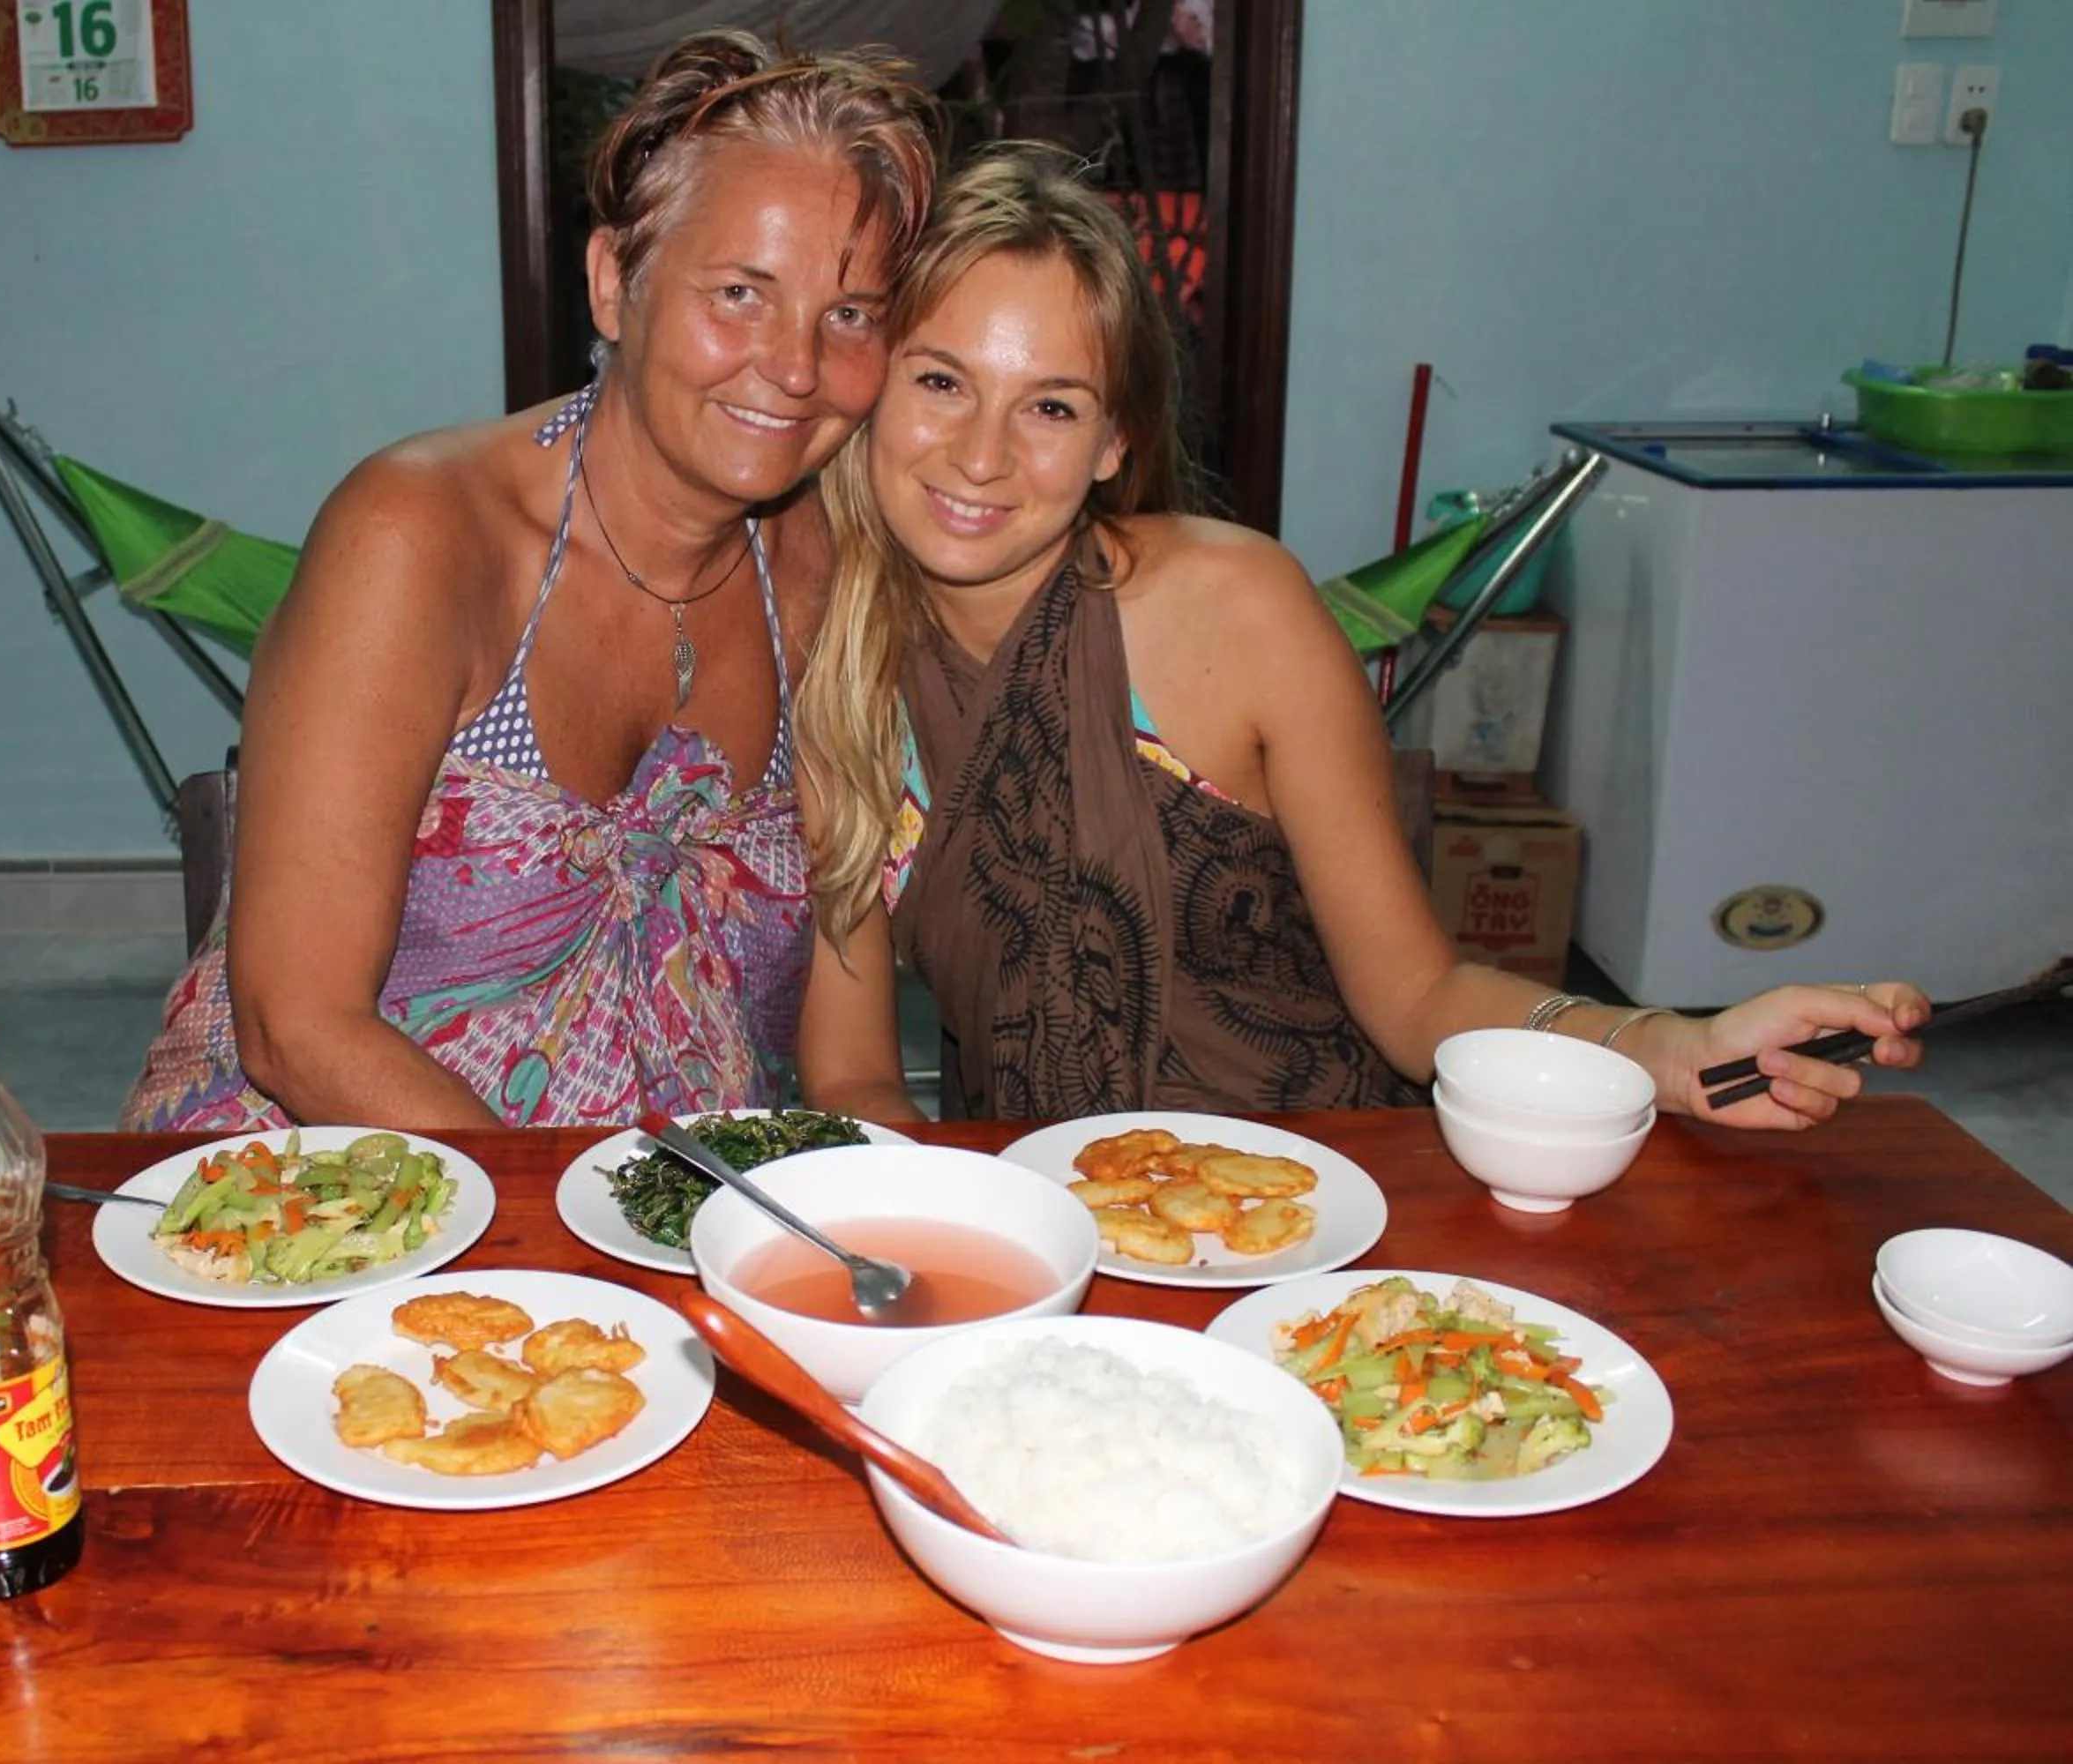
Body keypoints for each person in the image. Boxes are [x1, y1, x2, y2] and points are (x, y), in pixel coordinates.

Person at [793, 144, 1927, 1129]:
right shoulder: (838, 665)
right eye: (941, 380)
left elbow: (1418, 995)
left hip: (1315, 1199)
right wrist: (953, 1238)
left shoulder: (1238, 609)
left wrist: (1669, 1049)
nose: (982, 455)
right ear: (870, 389)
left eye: (1050, 405)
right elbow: (851, 1075)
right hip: (1044, 1237)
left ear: (1111, 441)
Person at [123, 33, 941, 1132]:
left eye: (848, 315)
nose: (795, 367)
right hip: (317, 1212)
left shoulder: (828, 583)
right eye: (741, 292)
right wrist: (572, 1239)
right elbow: (299, 1026)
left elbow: (851, 1076)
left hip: (678, 1223)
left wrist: (907, 1226)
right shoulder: (420, 537)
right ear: (616, 281)